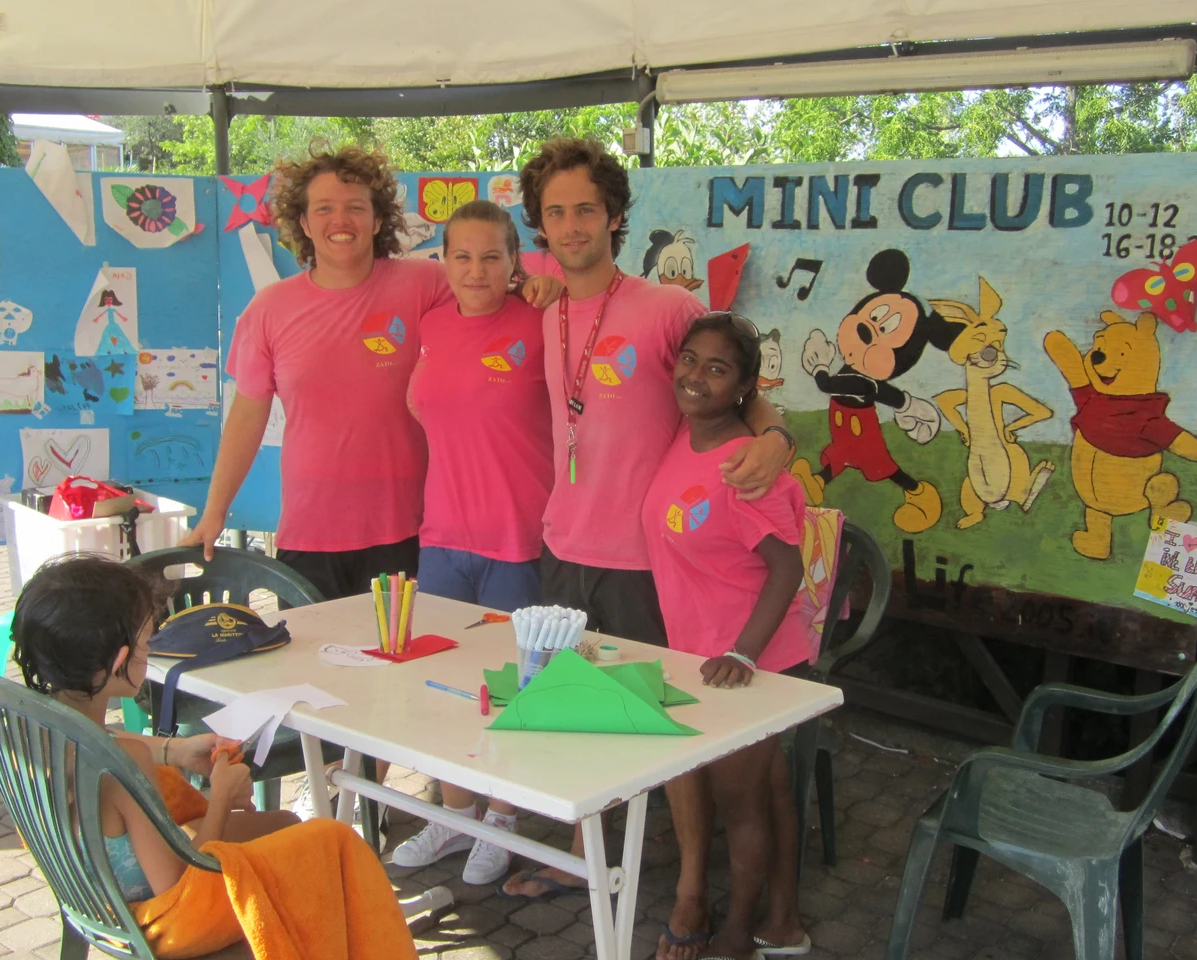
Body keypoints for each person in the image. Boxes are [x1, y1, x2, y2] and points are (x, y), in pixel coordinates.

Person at [499, 137, 796, 918]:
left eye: (585, 210)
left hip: (642, 559)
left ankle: (683, 876)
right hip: (562, 542)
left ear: (615, 217)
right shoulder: (541, 305)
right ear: (539, 226)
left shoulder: (667, 308)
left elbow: (738, 383)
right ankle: (582, 851)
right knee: (576, 710)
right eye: (555, 213)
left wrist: (777, 437)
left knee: (657, 725)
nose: (571, 226)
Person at [182, 144, 557, 596]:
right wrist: (214, 513)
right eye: (324, 208)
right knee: (313, 666)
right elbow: (246, 418)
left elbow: (485, 284)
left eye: (355, 208)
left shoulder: (424, 283)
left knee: (406, 663)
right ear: (303, 223)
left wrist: (536, 286)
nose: (340, 221)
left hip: (407, 533)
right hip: (310, 534)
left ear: (378, 220)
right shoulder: (269, 310)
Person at [10, 555, 416, 958]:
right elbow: (182, 888)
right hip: (160, 924)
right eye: (147, 641)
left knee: (286, 823)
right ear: (119, 659)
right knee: (334, 841)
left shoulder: (30, 725)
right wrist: (221, 795)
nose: (149, 650)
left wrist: (176, 749)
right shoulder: (123, 765)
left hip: (98, 897)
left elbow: (108, 738)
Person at [391, 200, 552, 884]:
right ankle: (453, 816)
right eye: (463, 255)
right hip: (443, 537)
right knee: (443, 685)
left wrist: (548, 279)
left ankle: (503, 821)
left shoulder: (545, 322)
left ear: (515, 263)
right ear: (444, 262)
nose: (477, 270)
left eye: (493, 256)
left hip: (518, 538)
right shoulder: (429, 326)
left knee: (512, 688)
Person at [641, 314, 811, 960]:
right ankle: (784, 921)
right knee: (766, 790)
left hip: (748, 657)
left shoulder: (744, 465)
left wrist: (743, 652)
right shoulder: (686, 439)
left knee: (740, 801)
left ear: (745, 389)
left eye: (717, 369)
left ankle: (740, 930)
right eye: (689, 360)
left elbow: (787, 566)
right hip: (701, 652)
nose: (695, 377)